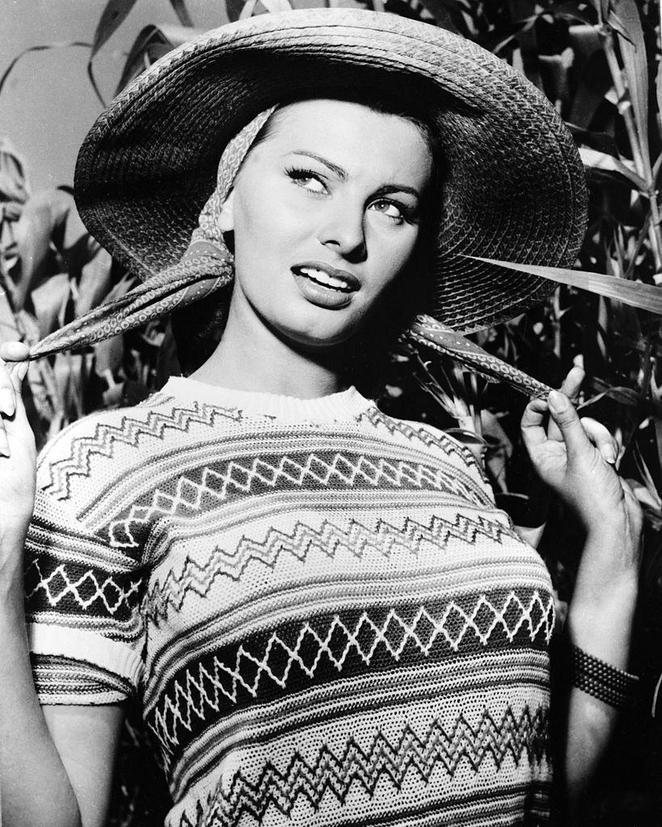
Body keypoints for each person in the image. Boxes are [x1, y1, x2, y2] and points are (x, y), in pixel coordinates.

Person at [0, 9, 642, 827]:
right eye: (309, 178)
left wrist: (612, 553)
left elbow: (542, 792)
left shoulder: (447, 465)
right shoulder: (100, 470)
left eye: (393, 207)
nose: (346, 235)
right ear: (224, 202)